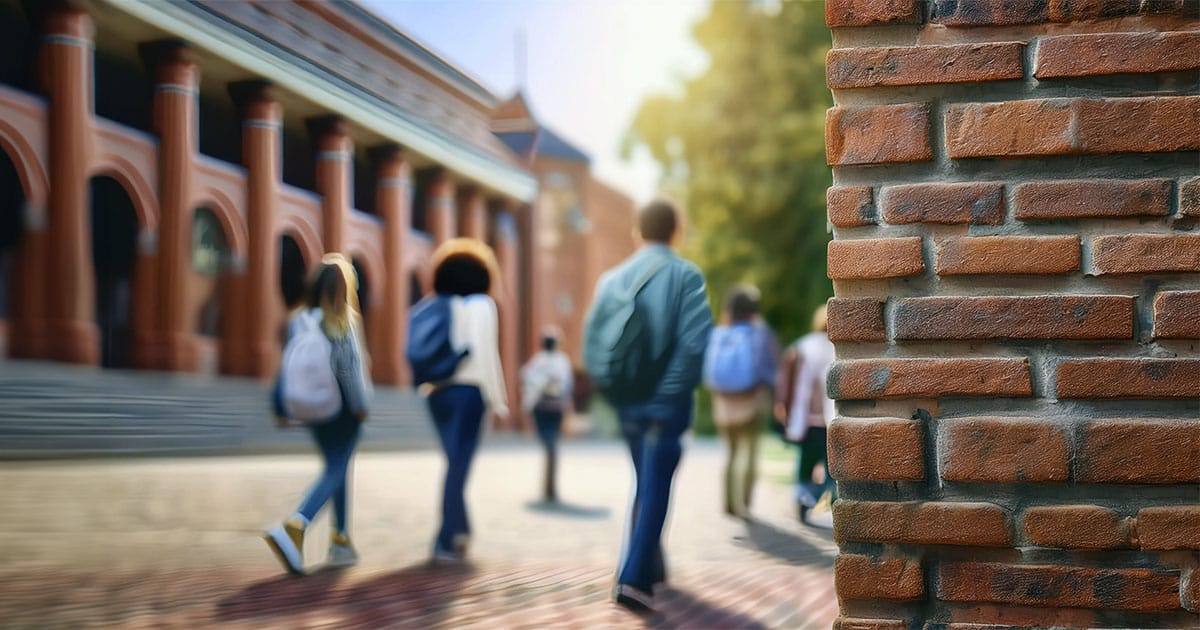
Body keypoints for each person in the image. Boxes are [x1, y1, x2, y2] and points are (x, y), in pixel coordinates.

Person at [583, 198, 713, 613]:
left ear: (636, 231)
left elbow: (592, 343)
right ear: (677, 231)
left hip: (626, 403)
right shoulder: (685, 275)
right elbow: (694, 345)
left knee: (646, 479)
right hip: (664, 404)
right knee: (655, 484)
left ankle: (651, 563)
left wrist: (616, 392)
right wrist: (668, 394)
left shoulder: (611, 280)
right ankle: (634, 578)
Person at [265, 253, 372, 574]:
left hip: (311, 407)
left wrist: (280, 405)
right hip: (341, 410)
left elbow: (286, 366)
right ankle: (296, 525)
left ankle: (341, 542)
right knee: (337, 469)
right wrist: (361, 406)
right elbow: (350, 369)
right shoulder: (342, 319)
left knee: (337, 467)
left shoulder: (301, 318)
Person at [423, 238, 508, 562]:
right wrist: (498, 400)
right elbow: (487, 355)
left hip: (436, 392)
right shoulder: (482, 305)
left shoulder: (439, 304)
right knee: (459, 466)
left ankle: (460, 529)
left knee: (453, 464)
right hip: (469, 392)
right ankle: (445, 539)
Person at [703, 284, 778, 519]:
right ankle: (743, 505)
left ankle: (728, 503)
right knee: (749, 453)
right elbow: (770, 369)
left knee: (731, 454)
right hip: (751, 400)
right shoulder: (760, 333)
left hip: (723, 403)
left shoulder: (719, 333)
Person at [775, 303, 835, 524]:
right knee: (833, 472)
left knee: (805, 467)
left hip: (807, 421)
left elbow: (786, 385)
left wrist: (785, 412)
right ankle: (820, 497)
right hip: (831, 421)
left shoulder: (802, 347)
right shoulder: (837, 348)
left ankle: (804, 498)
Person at [520, 328, 574, 503]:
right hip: (555, 407)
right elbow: (567, 385)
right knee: (552, 445)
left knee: (548, 444)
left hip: (541, 407)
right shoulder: (561, 361)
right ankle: (550, 488)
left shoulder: (537, 361)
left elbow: (526, 379)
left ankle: (548, 487)